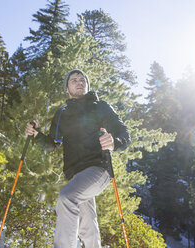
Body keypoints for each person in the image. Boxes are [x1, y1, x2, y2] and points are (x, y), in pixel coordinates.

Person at [25, 69, 131, 248]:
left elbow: (124, 134)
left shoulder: (100, 106)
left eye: (82, 79)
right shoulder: (62, 113)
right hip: (75, 174)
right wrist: (35, 135)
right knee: (87, 225)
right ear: (67, 88)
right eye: (74, 80)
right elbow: (53, 143)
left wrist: (114, 142)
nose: (79, 82)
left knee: (67, 198)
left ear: (87, 85)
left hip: (98, 168)